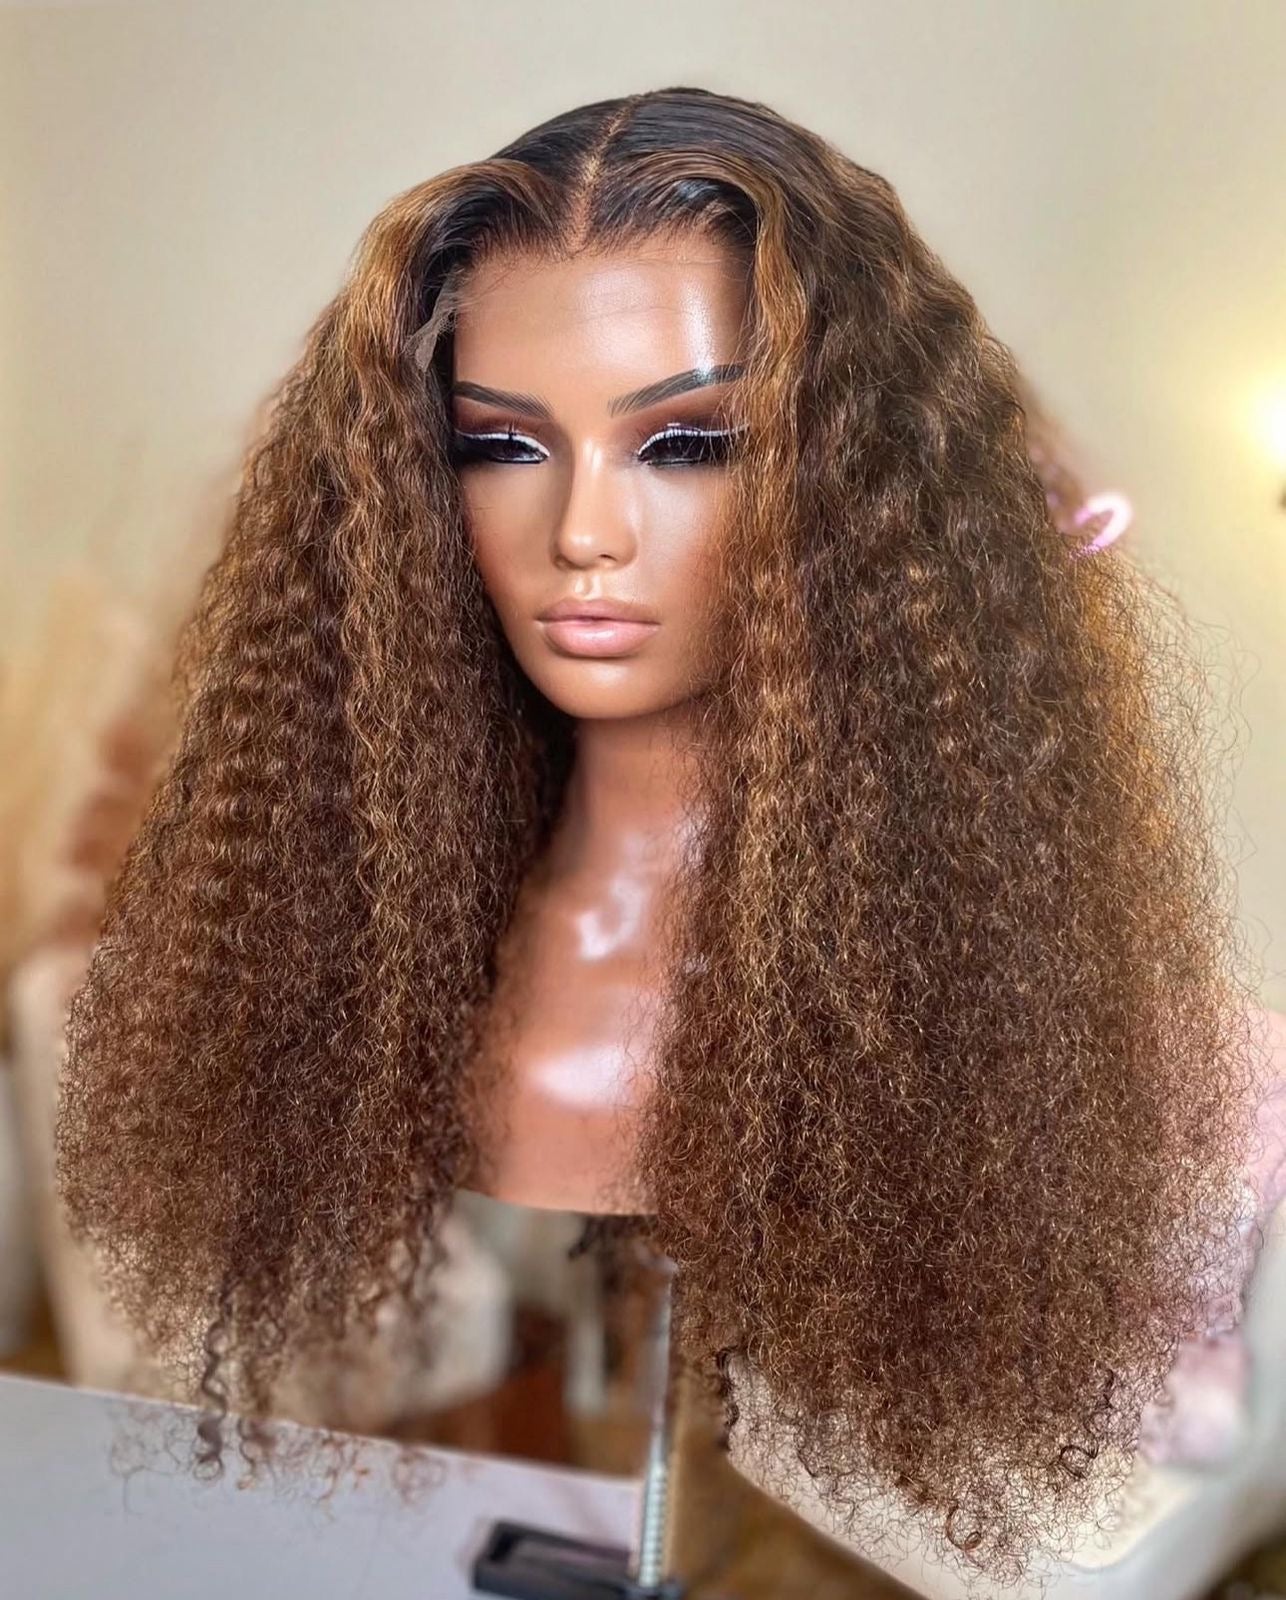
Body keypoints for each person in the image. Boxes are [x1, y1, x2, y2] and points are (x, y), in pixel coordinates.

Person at [54, 85, 1283, 1589]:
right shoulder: (344, 965)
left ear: (855, 495)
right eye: (501, 447)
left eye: (689, 442)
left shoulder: (996, 1029)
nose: (583, 531)